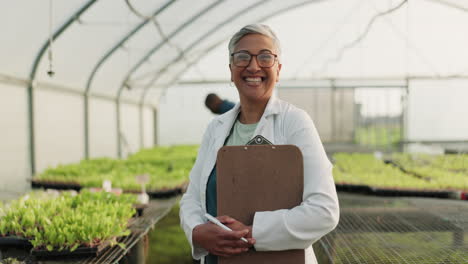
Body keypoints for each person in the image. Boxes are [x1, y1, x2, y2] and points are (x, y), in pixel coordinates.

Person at [180, 24, 339, 264]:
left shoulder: (294, 122)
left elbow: (324, 211)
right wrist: (197, 231)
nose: (253, 66)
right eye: (242, 57)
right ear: (231, 69)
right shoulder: (216, 128)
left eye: (265, 57)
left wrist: (251, 233)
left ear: (279, 69)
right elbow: (192, 197)